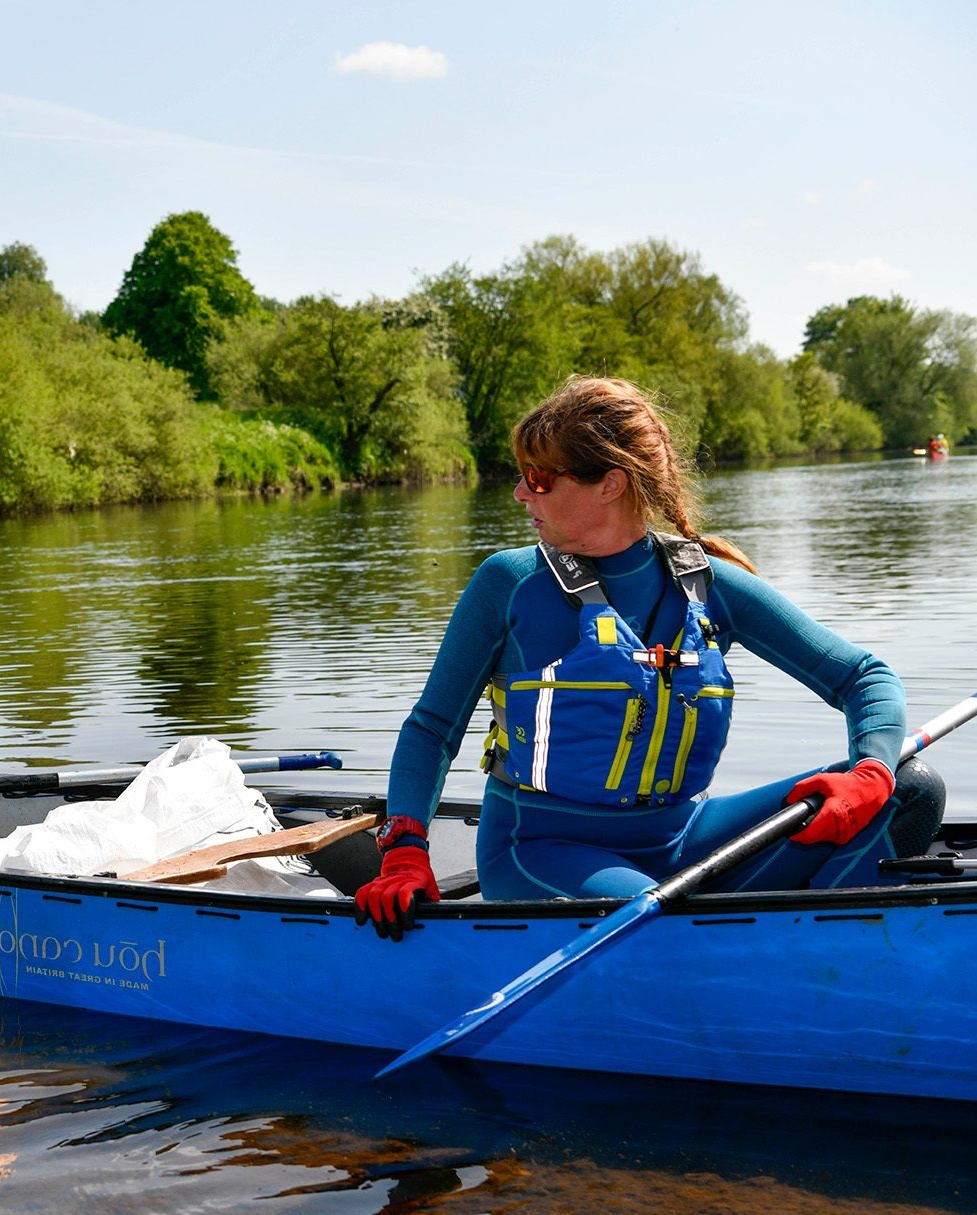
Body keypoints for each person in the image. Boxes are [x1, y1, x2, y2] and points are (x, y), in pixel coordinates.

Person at [355, 377, 945, 940]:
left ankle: (847, 961)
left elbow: (865, 677)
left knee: (908, 786)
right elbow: (432, 729)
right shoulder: (510, 584)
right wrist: (405, 849)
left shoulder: (709, 584)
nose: (518, 493)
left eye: (538, 478)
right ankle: (785, 955)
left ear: (609, 484)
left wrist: (870, 771)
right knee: (664, 922)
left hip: (685, 837)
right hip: (541, 848)